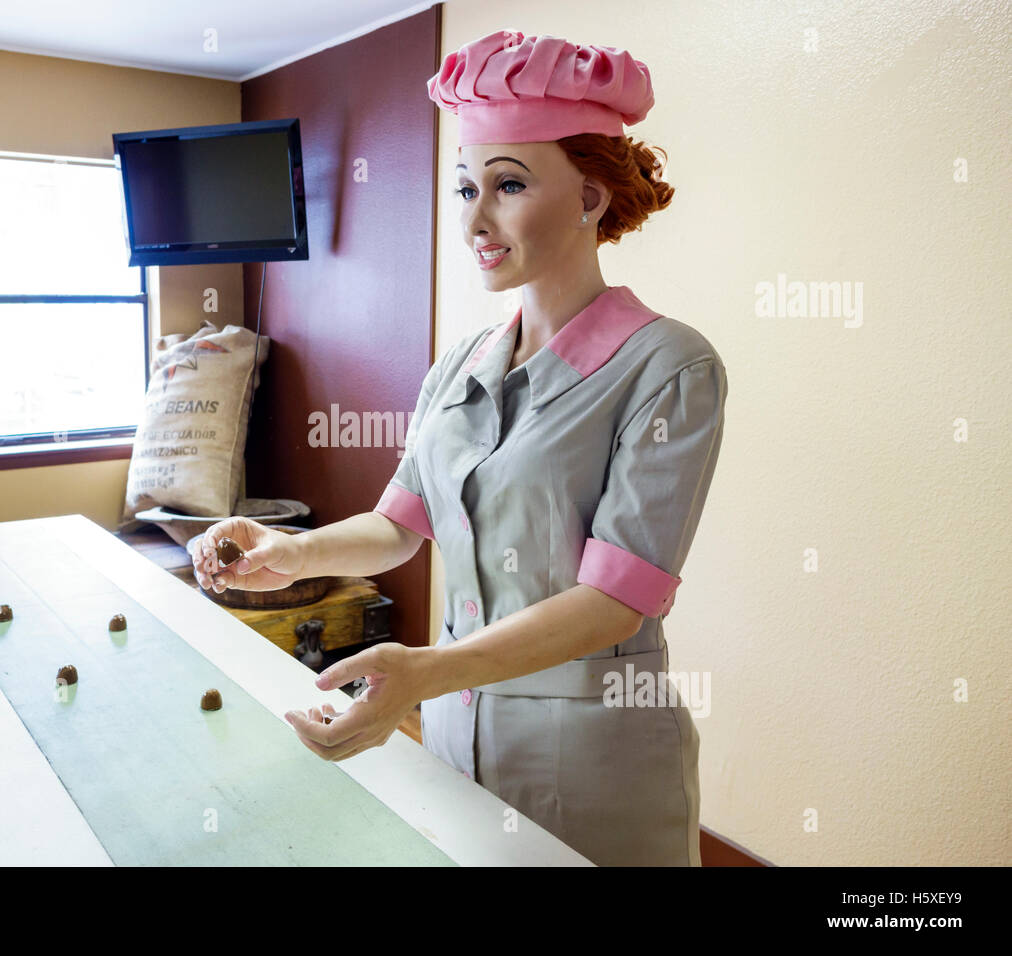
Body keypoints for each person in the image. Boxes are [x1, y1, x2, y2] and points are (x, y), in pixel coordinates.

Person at [190, 31, 727, 866]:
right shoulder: (461, 364)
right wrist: (289, 553)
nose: (475, 220)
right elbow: (400, 526)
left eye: (509, 186)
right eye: (466, 187)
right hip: (453, 729)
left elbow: (615, 602)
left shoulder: (669, 367)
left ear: (590, 197)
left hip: (593, 759)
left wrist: (428, 670)